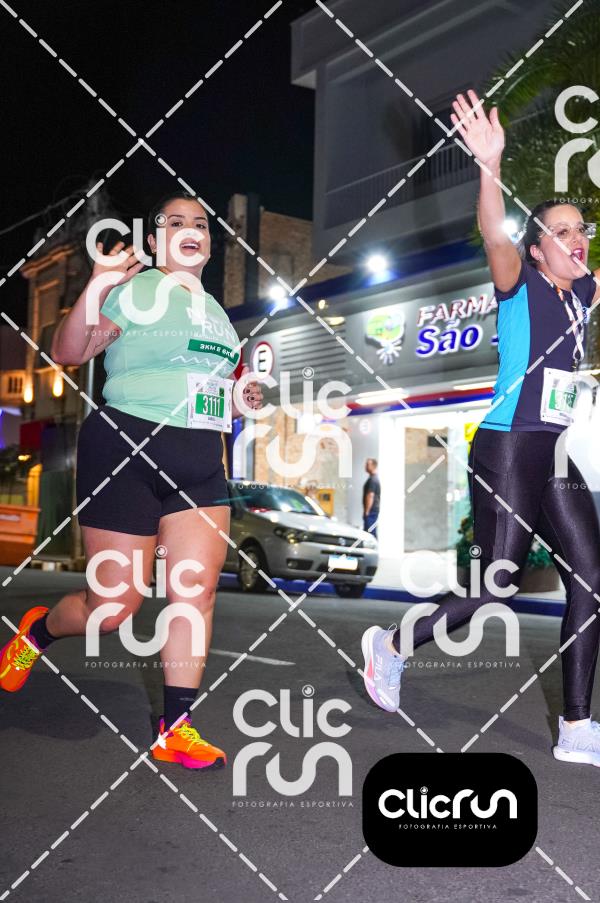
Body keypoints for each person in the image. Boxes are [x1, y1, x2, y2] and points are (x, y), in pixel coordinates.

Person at [361, 90, 600, 766]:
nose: (576, 238)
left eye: (582, 228)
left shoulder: (582, 294)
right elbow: (496, 233)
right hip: (508, 447)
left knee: (592, 577)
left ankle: (577, 726)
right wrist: (489, 167)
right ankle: (392, 645)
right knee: (496, 581)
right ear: (537, 249)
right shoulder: (519, 282)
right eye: (561, 231)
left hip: (553, 453)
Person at [0, 191, 262, 770]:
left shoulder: (220, 317)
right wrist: (98, 284)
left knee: (196, 590)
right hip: (125, 448)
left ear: (209, 243)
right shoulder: (136, 291)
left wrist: (244, 397)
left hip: (200, 459)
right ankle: (39, 631)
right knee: (113, 607)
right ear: (154, 241)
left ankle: (175, 728)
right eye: (176, 222)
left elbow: (222, 396)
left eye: (201, 224)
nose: (191, 229)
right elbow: (70, 352)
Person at [362, 458, 381, 538]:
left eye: (367, 464)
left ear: (373, 466)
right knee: (369, 532)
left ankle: (374, 545)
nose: (365, 466)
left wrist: (367, 511)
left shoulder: (373, 480)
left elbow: (370, 495)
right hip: (372, 510)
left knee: (370, 533)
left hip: (371, 511)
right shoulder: (373, 479)